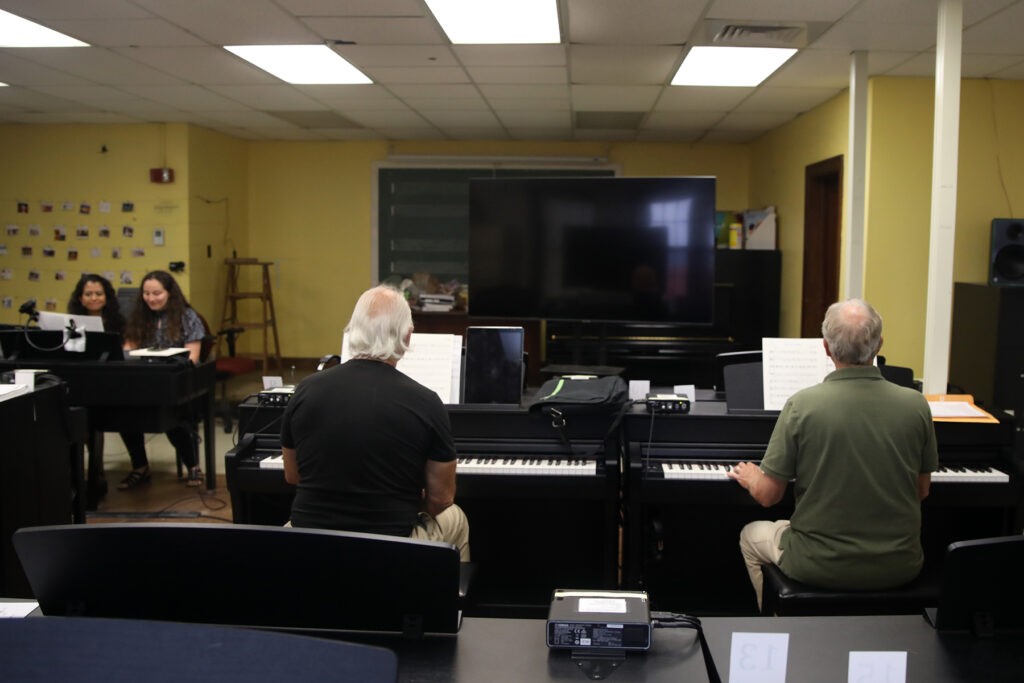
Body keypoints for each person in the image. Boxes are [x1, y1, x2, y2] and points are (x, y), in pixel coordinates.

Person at [727, 298, 938, 610]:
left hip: (817, 565)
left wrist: (752, 477)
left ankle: (776, 629)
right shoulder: (916, 405)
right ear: (879, 344)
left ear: (826, 348)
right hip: (899, 566)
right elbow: (921, 490)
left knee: (750, 535)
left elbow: (769, 497)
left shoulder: (802, 405)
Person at [280, 284, 470, 561]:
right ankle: (446, 603)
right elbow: (441, 499)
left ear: (352, 330)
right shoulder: (426, 401)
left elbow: (292, 475)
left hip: (312, 537)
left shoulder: (306, 390)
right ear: (407, 334)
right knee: (456, 518)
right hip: (390, 545)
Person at [118, 270, 207, 489]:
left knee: (172, 416)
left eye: (157, 293)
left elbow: (192, 358)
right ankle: (139, 466)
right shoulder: (139, 317)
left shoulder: (187, 317)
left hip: (176, 383)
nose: (151, 298)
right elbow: (127, 351)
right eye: (146, 293)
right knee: (123, 413)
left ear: (169, 293)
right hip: (143, 381)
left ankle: (193, 465)